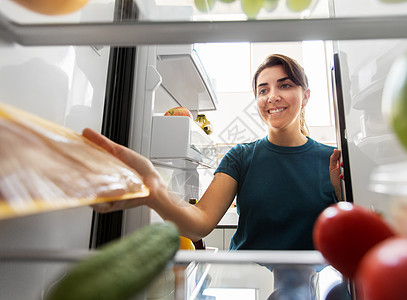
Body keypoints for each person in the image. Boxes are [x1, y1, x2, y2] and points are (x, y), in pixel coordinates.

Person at [82, 54, 343, 251]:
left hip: (312, 286)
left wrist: (341, 196)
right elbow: (201, 221)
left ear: (305, 95)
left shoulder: (332, 160)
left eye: (284, 85)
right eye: (263, 90)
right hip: (244, 283)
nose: (272, 96)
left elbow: (349, 234)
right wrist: (155, 191)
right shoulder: (241, 157)